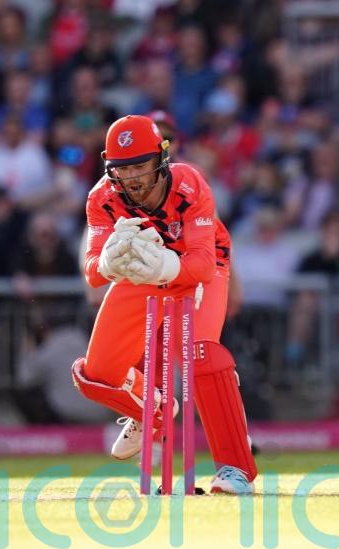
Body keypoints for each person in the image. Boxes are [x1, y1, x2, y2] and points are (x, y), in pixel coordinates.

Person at [71, 115, 257, 494]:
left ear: (161, 158)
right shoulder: (101, 197)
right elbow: (92, 271)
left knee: (201, 354)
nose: (133, 178)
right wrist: (107, 263)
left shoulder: (189, 184)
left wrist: (169, 265)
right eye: (123, 169)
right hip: (140, 276)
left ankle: (235, 470)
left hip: (197, 269)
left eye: (140, 165)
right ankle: (152, 407)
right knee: (95, 375)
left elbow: (204, 263)